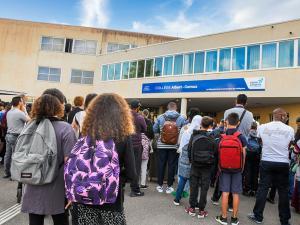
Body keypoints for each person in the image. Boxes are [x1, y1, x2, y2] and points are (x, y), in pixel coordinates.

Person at [67, 93, 137, 225]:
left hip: (83, 199)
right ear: (121, 114)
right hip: (111, 201)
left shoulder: (87, 133)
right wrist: (115, 179)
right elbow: (131, 172)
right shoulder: (122, 136)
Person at [21, 89, 77, 225]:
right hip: (56, 183)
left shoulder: (30, 126)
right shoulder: (65, 128)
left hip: (33, 178)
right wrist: (72, 191)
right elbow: (70, 162)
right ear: (58, 106)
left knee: (34, 218)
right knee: (60, 218)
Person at [248, 108, 294, 225]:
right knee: (283, 191)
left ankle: (258, 216)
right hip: (283, 162)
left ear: (274, 116)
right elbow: (289, 145)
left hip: (267, 161)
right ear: (283, 116)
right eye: (286, 116)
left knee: (263, 188)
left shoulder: (262, 127)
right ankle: (284, 220)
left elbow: (260, 141)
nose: (286, 118)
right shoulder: (289, 129)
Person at [216, 113, 247, 225]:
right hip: (237, 169)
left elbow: (218, 153)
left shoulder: (222, 136)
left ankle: (223, 217)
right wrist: (242, 168)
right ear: (238, 123)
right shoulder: (241, 137)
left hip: (224, 169)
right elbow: (244, 153)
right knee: (235, 193)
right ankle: (234, 218)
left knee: (225, 193)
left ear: (226, 122)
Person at [185, 116, 217, 219]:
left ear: (201, 124)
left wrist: (191, 161)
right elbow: (215, 152)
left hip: (195, 165)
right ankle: (202, 210)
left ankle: (192, 208)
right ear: (210, 126)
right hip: (207, 166)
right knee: (204, 187)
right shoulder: (211, 137)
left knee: (193, 186)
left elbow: (189, 149)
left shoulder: (194, 135)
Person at [153, 102, 186, 194]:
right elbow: (184, 131)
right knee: (172, 165)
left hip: (161, 145)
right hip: (174, 146)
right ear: (176, 108)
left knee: (161, 165)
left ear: (167, 108)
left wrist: (159, 137)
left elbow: (154, 129)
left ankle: (159, 185)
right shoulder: (181, 118)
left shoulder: (160, 117)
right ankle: (169, 186)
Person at [174, 115, 202, 206]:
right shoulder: (200, 134)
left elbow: (181, 147)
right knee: (195, 182)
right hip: (195, 160)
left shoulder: (187, 131)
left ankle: (177, 199)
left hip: (185, 158)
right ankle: (194, 202)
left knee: (182, 179)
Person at [3, 96, 30, 178]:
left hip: (8, 135)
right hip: (16, 136)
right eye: (22, 101)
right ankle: (13, 175)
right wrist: (25, 110)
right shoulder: (19, 113)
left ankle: (6, 173)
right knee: (15, 155)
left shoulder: (9, 112)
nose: (23, 103)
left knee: (7, 155)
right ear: (19, 102)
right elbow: (30, 120)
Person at [130, 100, 147, 197]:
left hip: (124, 142)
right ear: (138, 107)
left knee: (122, 164)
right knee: (136, 166)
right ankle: (135, 190)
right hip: (136, 144)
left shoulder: (124, 116)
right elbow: (144, 129)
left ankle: (120, 186)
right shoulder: (139, 117)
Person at [243, 122, 261, 196]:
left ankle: (247, 189)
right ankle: (254, 189)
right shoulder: (258, 133)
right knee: (255, 172)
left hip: (249, 153)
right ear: (256, 127)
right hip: (257, 154)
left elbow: (245, 143)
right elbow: (261, 144)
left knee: (248, 171)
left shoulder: (247, 133)